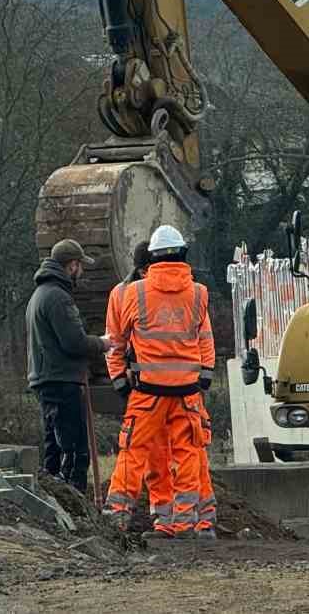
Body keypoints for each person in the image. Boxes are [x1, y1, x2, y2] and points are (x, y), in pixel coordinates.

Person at [105, 223, 217, 538]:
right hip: (188, 392)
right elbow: (205, 338)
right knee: (189, 453)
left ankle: (116, 519)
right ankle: (186, 523)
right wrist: (204, 377)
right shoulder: (199, 293)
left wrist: (119, 382)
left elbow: (115, 342)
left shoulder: (132, 293)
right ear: (183, 254)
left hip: (147, 392)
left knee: (133, 453)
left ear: (150, 259)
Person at [26, 238, 112, 492]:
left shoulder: (39, 295)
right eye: (80, 266)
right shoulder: (58, 298)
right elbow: (74, 342)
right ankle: (75, 502)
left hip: (46, 379)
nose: (82, 271)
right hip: (61, 381)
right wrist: (103, 343)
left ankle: (55, 498)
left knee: (54, 447)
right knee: (74, 451)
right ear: (72, 265)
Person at [102, 242, 150, 527]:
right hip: (140, 386)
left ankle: (164, 514)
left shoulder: (125, 292)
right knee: (134, 448)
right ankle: (119, 512)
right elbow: (114, 343)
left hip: (154, 385)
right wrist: (120, 380)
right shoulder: (121, 294)